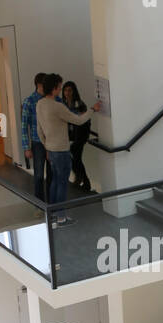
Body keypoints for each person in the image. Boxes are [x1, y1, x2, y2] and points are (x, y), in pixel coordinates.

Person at [36, 74, 100, 225]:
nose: (61, 89)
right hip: (61, 151)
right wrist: (93, 109)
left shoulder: (40, 104)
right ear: (54, 88)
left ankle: (52, 214)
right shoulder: (57, 106)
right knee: (62, 184)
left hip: (51, 149)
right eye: (59, 86)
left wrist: (46, 146)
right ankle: (61, 217)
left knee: (54, 182)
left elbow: (39, 130)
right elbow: (79, 120)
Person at [21, 73, 52, 202]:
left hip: (51, 142)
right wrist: (26, 147)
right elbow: (24, 126)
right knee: (39, 175)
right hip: (37, 143)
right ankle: (39, 204)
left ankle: (51, 203)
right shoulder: (29, 101)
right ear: (39, 85)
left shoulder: (51, 99)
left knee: (51, 175)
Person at [63, 81, 92, 192]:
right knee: (72, 159)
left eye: (70, 90)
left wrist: (84, 137)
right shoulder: (62, 104)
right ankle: (79, 177)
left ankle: (85, 180)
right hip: (67, 136)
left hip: (78, 138)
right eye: (65, 90)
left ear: (74, 91)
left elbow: (85, 121)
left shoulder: (80, 105)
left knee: (77, 159)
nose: (67, 93)